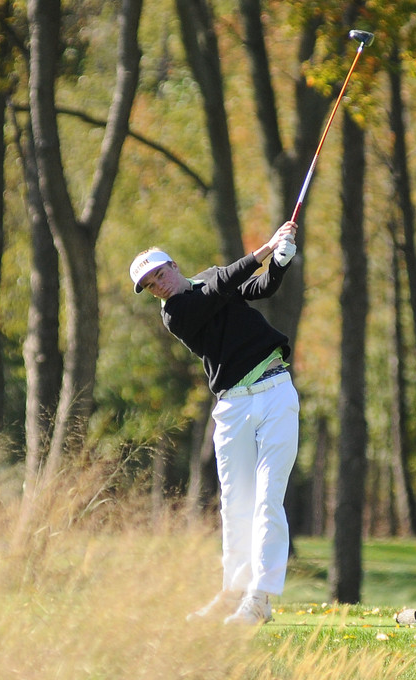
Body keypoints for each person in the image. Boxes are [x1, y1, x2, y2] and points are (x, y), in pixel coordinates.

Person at [129, 221, 300, 625]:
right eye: (150, 285)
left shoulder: (207, 281)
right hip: (232, 407)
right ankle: (233, 593)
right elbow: (224, 284)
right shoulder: (175, 313)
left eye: (159, 274)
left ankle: (259, 599)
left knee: (266, 500)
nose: (159, 285)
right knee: (235, 506)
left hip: (274, 390)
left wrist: (280, 260)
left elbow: (259, 288)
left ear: (173, 264)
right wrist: (263, 249)